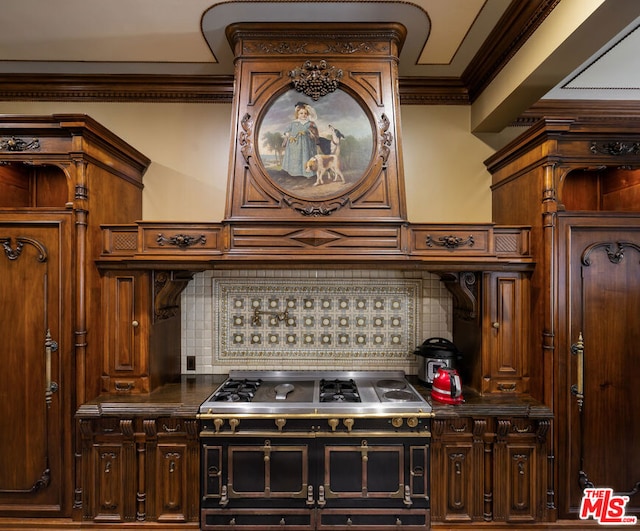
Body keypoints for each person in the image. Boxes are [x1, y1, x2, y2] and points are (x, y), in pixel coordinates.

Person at [281, 102, 319, 178]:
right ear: (297, 114)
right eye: (301, 113)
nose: (303, 115)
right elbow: (286, 131)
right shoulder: (293, 123)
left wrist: (313, 134)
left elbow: (316, 133)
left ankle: (307, 173)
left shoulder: (310, 123)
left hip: (307, 144)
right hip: (294, 144)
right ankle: (295, 173)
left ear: (307, 114)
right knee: (295, 158)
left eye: (305, 113)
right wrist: (287, 134)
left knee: (306, 157)